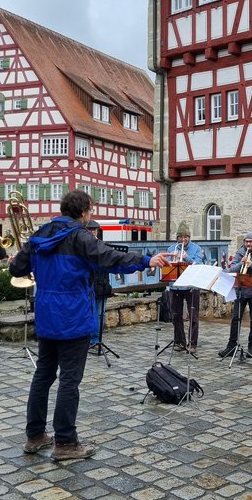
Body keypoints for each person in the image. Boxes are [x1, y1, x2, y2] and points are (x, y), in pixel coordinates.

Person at [9, 189, 169, 461]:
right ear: (84, 212)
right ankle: (66, 443)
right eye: (91, 211)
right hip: (72, 317)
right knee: (69, 380)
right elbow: (109, 258)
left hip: (47, 316)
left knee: (43, 376)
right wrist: (145, 260)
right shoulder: (80, 236)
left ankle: (35, 435)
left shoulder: (40, 235)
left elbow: (16, 270)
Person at [219, 231, 252, 358]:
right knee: (235, 319)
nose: (248, 244)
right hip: (241, 290)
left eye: (251, 242)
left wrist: (251, 264)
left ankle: (251, 348)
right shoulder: (240, 252)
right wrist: (241, 263)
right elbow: (231, 268)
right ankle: (231, 346)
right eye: (246, 241)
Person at [166, 221, 205, 353]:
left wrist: (186, 257)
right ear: (177, 238)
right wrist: (173, 260)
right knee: (176, 315)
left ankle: (192, 344)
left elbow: (199, 264)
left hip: (191, 286)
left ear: (189, 237)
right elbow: (167, 266)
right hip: (175, 286)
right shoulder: (172, 248)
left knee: (193, 316)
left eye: (185, 237)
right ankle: (180, 342)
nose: (183, 240)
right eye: (180, 237)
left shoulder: (197, 249)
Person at [86, 219, 113, 347]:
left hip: (102, 284)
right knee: (91, 314)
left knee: (99, 314)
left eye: (94, 230)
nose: (92, 232)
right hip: (90, 285)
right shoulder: (84, 247)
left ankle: (96, 340)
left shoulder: (103, 246)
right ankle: (92, 339)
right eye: (90, 230)